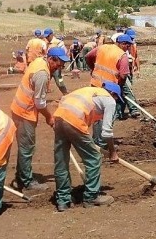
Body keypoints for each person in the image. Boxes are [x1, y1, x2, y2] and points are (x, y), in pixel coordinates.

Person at [52, 82, 122, 211]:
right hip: (74, 121)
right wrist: (112, 152)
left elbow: (64, 100)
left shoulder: (88, 91)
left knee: (61, 161)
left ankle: (62, 200)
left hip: (59, 117)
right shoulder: (110, 100)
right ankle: (91, 196)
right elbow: (106, 132)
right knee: (94, 158)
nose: (116, 101)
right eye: (117, 98)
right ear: (113, 94)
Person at [9, 47, 70, 193]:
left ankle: (21, 177)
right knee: (27, 147)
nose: (60, 67)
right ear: (51, 59)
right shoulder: (42, 74)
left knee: (25, 146)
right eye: (59, 64)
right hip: (25, 113)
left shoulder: (39, 62)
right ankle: (26, 182)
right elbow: (40, 103)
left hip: (21, 109)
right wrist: (49, 117)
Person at [116, 34, 141, 119]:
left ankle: (118, 113)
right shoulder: (120, 53)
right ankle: (133, 109)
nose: (130, 46)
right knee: (126, 91)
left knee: (121, 93)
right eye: (128, 45)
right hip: (119, 74)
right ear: (123, 43)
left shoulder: (123, 51)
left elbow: (135, 58)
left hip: (123, 73)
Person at [44, 28, 69, 95]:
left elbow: (65, 53)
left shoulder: (59, 42)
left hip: (56, 66)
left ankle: (65, 94)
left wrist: (62, 64)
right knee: (45, 81)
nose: (46, 38)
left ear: (52, 35)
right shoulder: (45, 42)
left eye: (48, 36)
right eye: (45, 36)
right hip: (47, 65)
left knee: (59, 81)